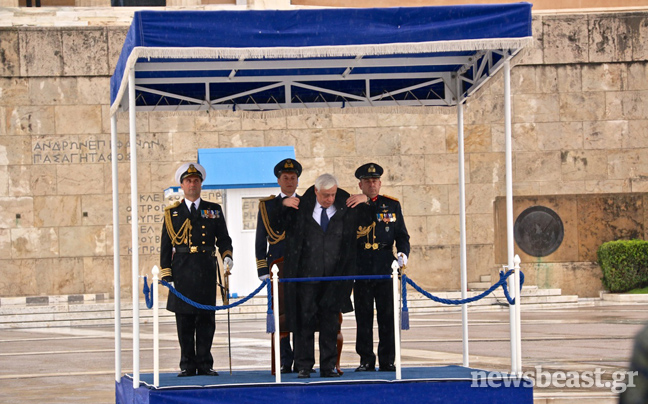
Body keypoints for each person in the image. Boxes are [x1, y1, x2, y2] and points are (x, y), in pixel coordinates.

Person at [273, 173, 369, 379]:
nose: (329, 199)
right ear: (316, 191)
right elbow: (275, 225)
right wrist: (282, 204)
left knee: (330, 322)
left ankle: (328, 366)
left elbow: (371, 220)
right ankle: (304, 366)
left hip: (334, 277)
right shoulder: (300, 208)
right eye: (325, 195)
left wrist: (366, 200)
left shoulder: (347, 207)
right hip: (306, 277)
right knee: (304, 320)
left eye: (333, 194)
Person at [160, 162, 234, 377]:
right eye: (188, 181)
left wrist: (227, 256)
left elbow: (224, 238)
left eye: (195, 181)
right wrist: (167, 274)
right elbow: (166, 246)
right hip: (182, 271)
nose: (192, 184)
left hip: (205, 270)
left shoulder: (213, 210)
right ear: (182, 185)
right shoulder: (172, 213)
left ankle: (204, 363)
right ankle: (187, 365)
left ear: (201, 184)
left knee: (205, 320)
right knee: (184, 321)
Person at [348, 162, 410, 372]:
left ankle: (387, 359)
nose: (372, 184)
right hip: (362, 266)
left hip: (385, 266)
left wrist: (403, 253)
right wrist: (365, 202)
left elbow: (402, 235)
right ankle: (366, 359)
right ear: (360, 185)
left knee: (387, 317)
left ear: (380, 183)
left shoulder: (391, 205)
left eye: (375, 181)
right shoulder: (354, 205)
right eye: (367, 181)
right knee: (363, 317)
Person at [255, 158, 302, 374]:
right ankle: (284, 359)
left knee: (301, 312)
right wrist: (262, 269)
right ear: (278, 180)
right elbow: (260, 239)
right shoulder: (268, 206)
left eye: (293, 178)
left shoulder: (306, 203)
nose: (289, 181)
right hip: (277, 266)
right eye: (285, 178)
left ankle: (302, 359)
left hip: (301, 266)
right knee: (281, 314)